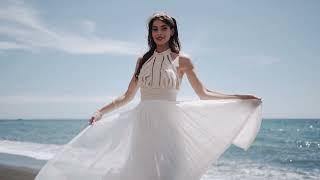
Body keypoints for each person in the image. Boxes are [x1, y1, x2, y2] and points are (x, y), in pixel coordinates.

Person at [35, 12, 263, 180]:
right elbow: (127, 96)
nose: (159, 33)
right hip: (143, 126)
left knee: (172, 175)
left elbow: (204, 94)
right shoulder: (142, 61)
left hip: (171, 126)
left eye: (164, 28)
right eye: (155, 29)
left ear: (172, 31)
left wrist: (241, 98)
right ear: (150, 32)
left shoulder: (182, 60)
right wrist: (100, 111)